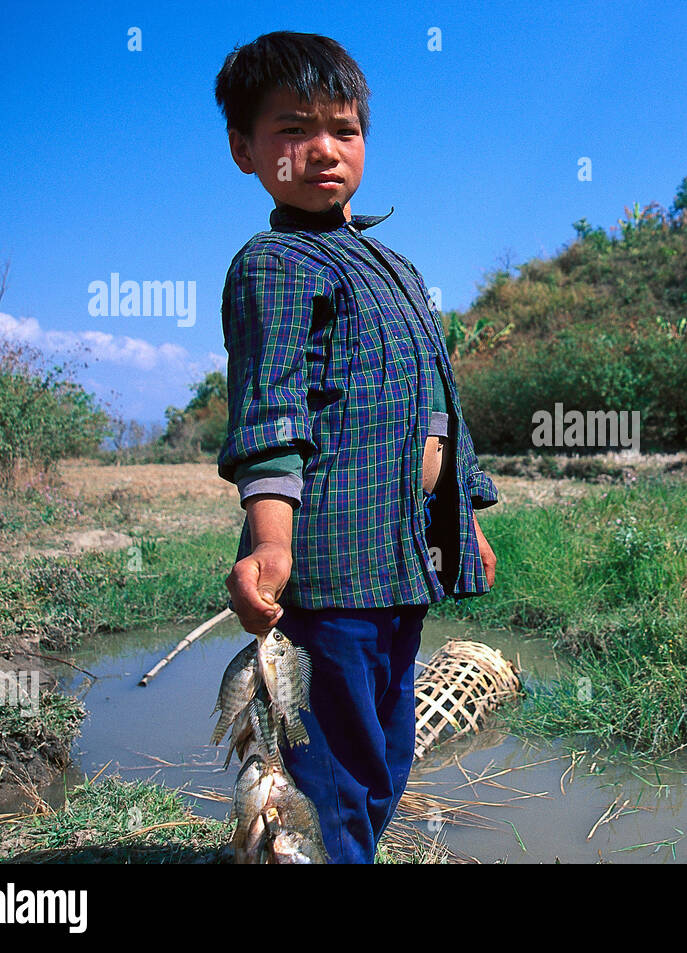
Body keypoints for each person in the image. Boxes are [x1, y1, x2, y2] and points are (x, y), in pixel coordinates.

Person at [213, 31, 498, 863]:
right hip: (331, 567)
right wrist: (270, 541)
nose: (323, 151)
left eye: (344, 128)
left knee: (388, 754)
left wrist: (467, 517)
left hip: (404, 558)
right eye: (292, 129)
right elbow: (271, 412)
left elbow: (443, 405)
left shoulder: (395, 265)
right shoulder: (275, 264)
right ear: (245, 149)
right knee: (329, 771)